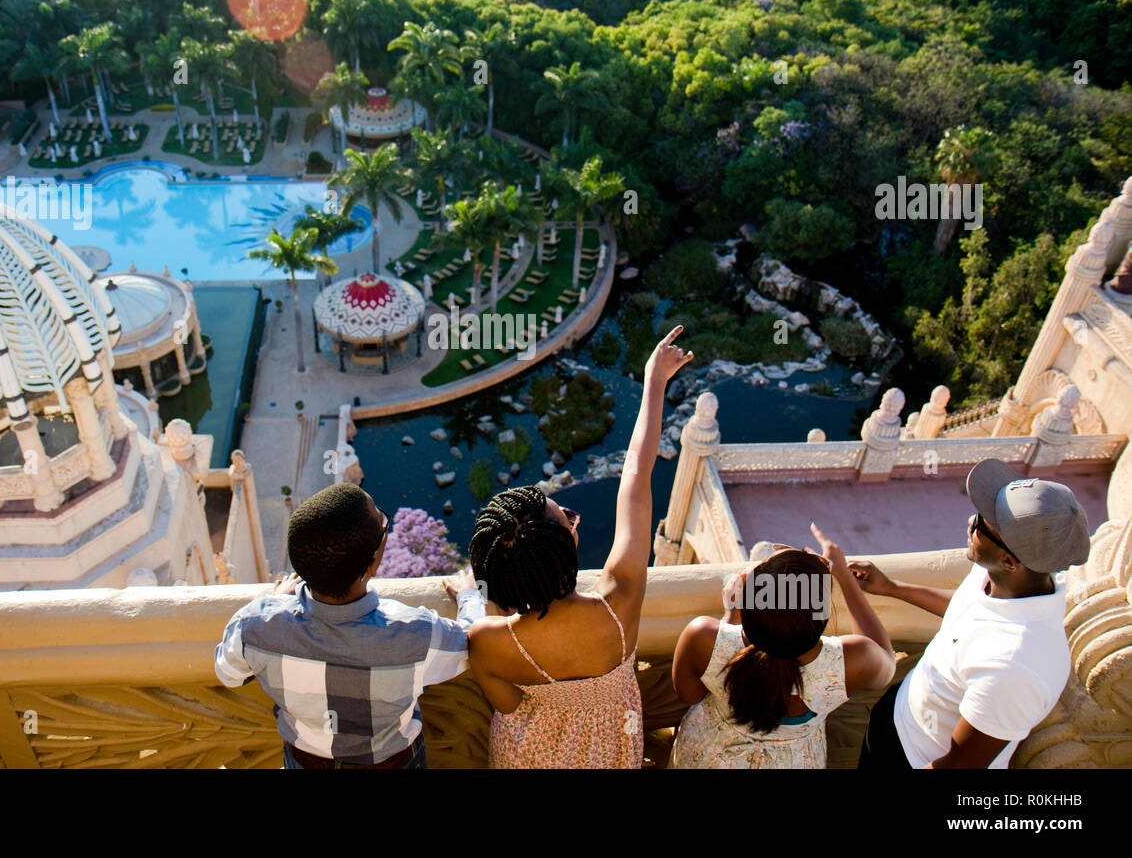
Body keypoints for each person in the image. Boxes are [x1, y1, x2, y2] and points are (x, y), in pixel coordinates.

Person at [465, 325, 694, 768]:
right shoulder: (619, 604)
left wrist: (487, 599)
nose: (571, 514)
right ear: (566, 548)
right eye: (566, 516)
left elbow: (508, 707)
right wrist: (655, 381)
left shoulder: (489, 640)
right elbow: (635, 479)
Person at [214, 482, 484, 768]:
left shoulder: (256, 625)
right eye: (382, 524)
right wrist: (470, 596)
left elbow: (229, 674)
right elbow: (473, 644)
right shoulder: (414, 632)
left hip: (305, 761)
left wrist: (274, 602)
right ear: (372, 565)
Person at [852, 458, 1091, 769]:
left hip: (915, 758)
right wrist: (892, 588)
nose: (970, 521)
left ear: (1009, 560)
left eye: (981, 524)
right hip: (901, 715)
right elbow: (970, 610)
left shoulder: (1017, 668)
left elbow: (959, 765)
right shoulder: (1008, 579)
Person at [668, 527, 896, 768]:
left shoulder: (703, 637)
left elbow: (688, 695)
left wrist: (731, 621)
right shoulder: (850, 661)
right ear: (821, 619)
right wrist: (845, 579)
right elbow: (886, 662)